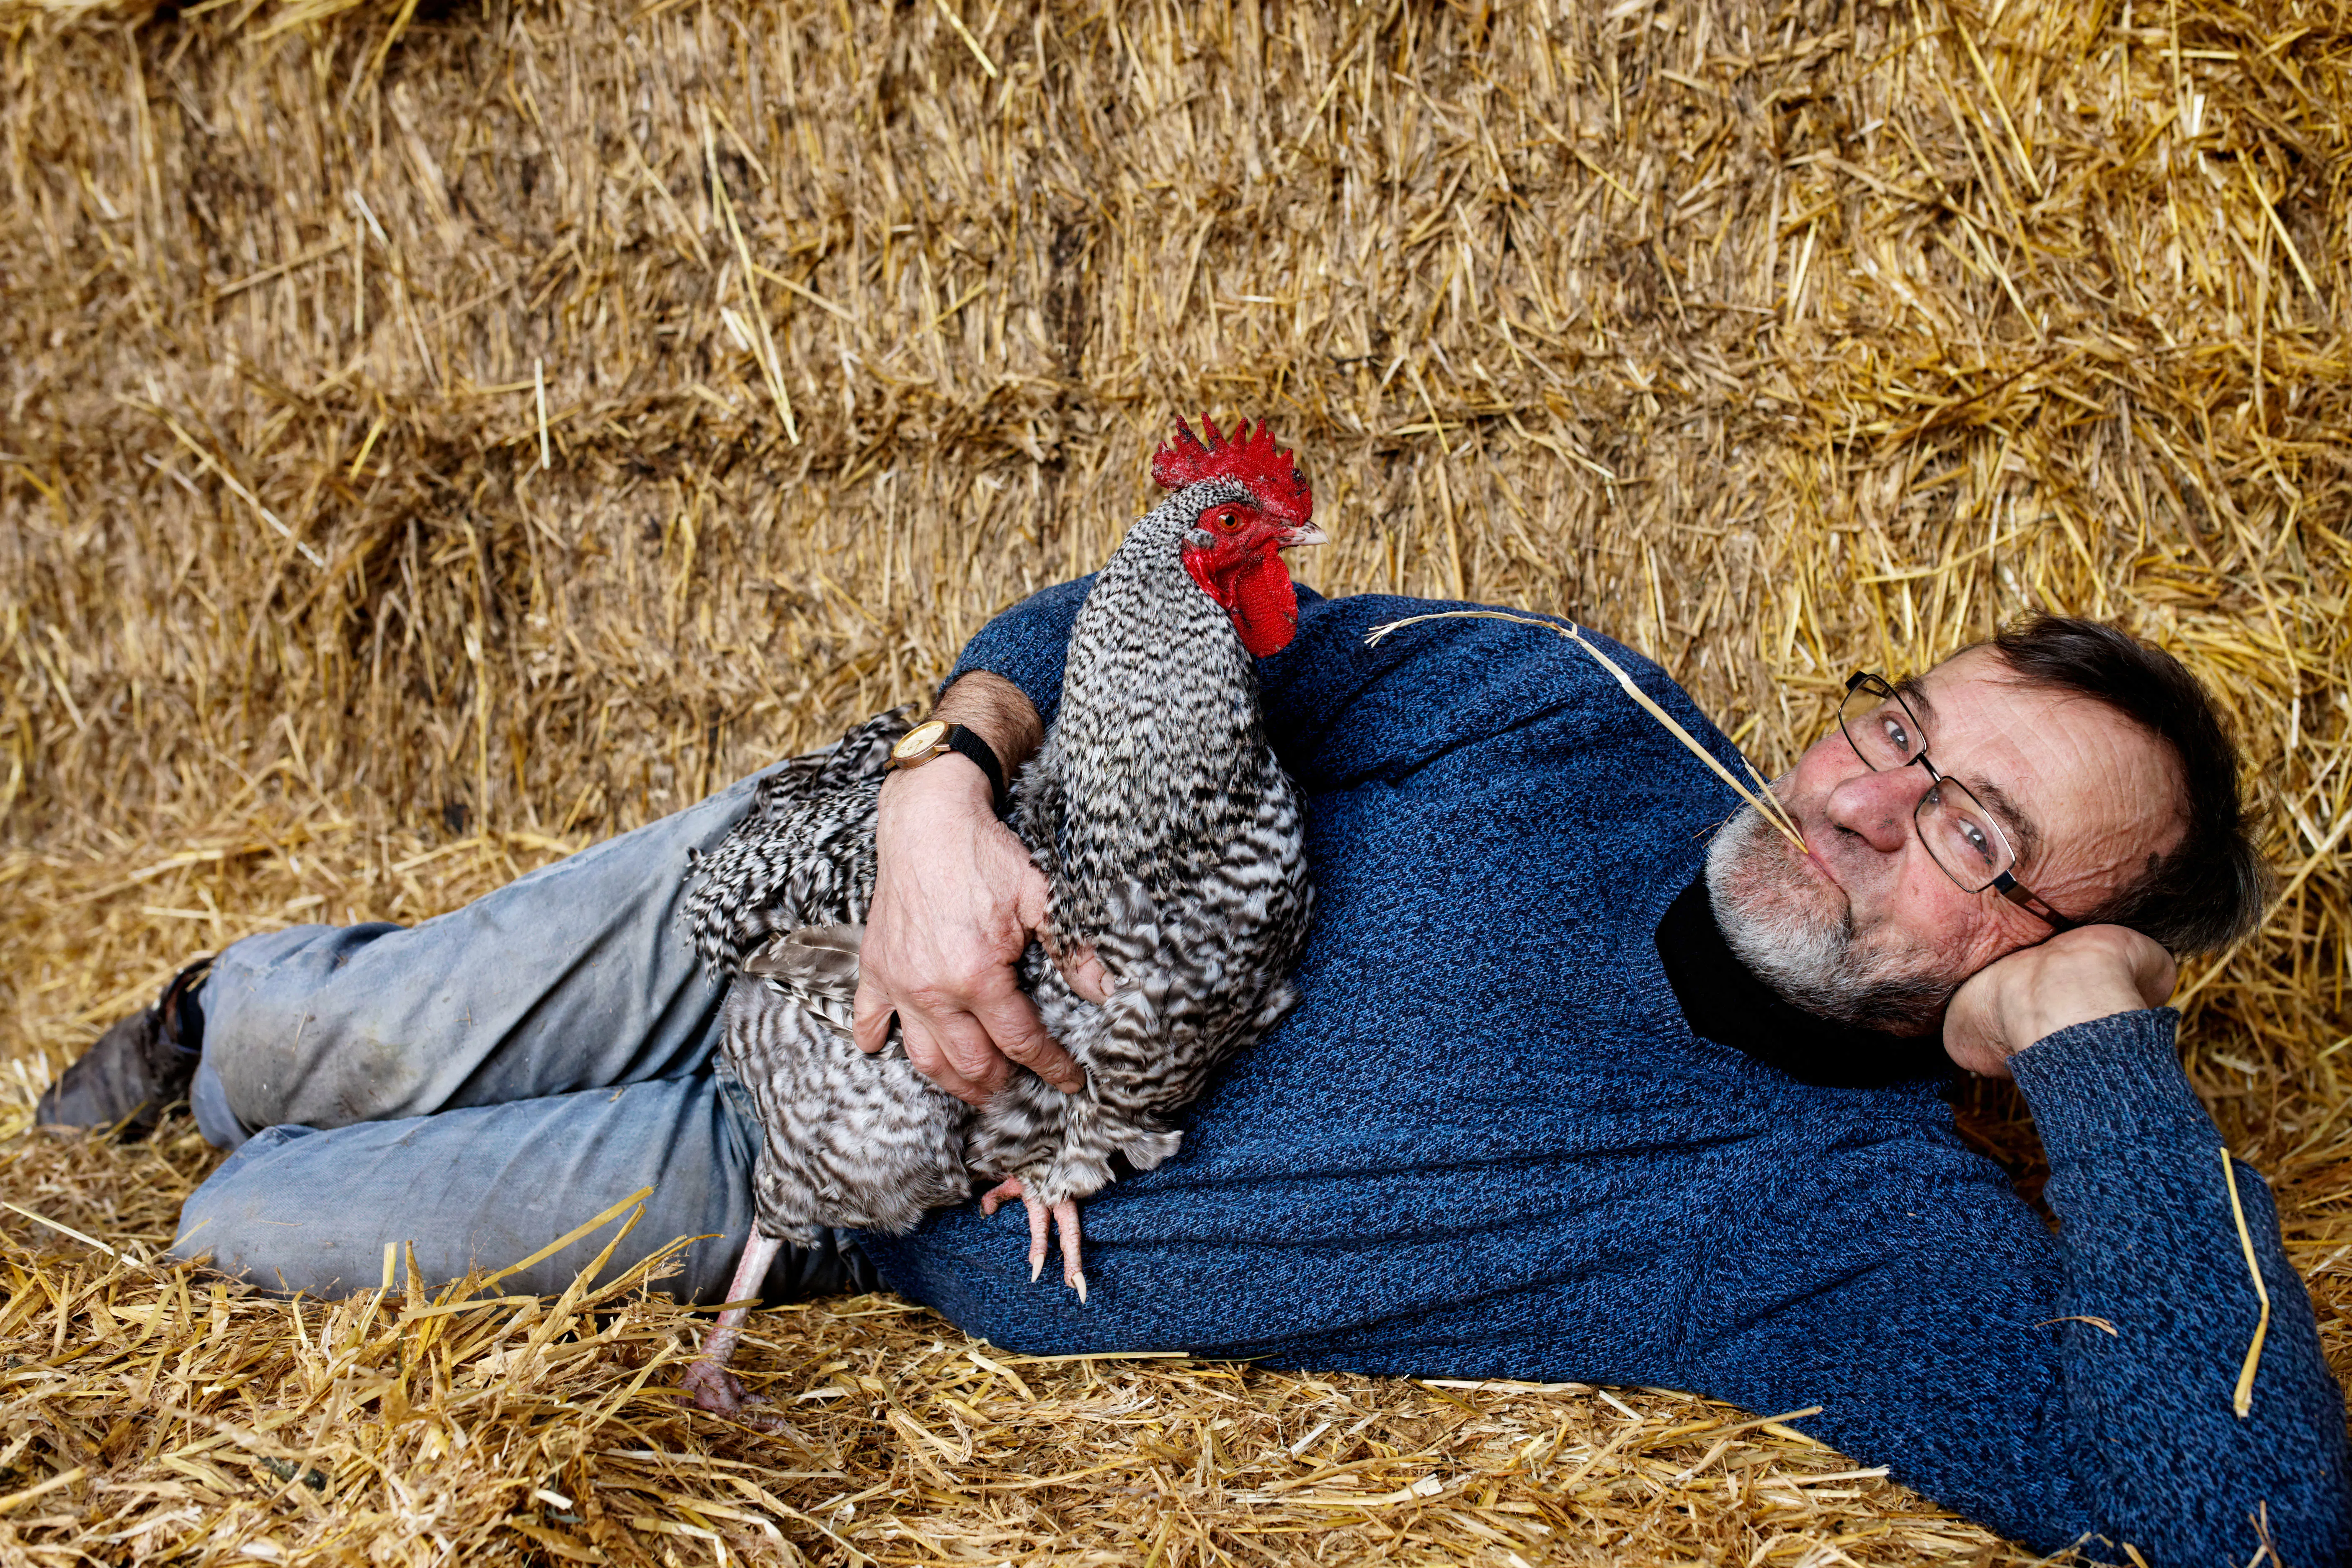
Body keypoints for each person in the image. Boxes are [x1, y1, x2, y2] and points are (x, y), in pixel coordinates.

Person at [38, 578, 2349, 1567]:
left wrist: (2104, 1073)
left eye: (1970, 833)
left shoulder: (1833, 1226)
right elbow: (1138, 631)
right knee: (322, 1052)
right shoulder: (1564, 708)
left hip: (842, 1184)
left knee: (268, 1234)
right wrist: (945, 792)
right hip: (850, 898)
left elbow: (2229, 1524)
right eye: (1903, 727)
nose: (1859, 794)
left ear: (2067, 946)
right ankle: (218, 1010)